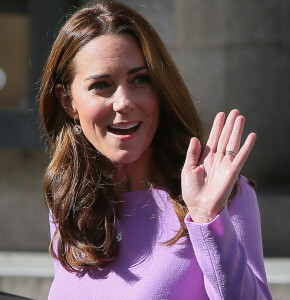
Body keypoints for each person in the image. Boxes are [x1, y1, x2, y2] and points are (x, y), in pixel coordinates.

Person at [39, 1, 272, 299]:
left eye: (140, 79)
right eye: (102, 85)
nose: (123, 102)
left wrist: (206, 219)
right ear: (67, 101)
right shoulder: (71, 195)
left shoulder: (223, 195)